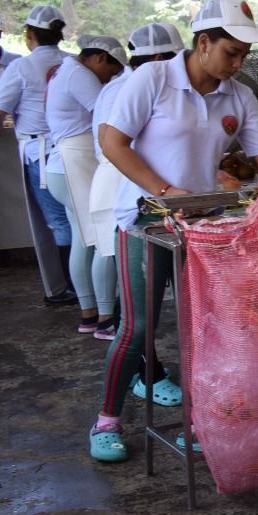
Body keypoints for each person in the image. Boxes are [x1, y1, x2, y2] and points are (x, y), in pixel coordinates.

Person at [88, 0, 258, 463]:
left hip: (203, 225)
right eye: (231, 52)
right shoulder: (153, 80)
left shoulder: (238, 95)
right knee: (140, 326)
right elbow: (113, 142)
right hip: (146, 219)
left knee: (204, 329)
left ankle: (200, 422)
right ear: (203, 42)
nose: (238, 63)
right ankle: (107, 420)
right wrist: (165, 191)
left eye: (245, 55)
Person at [85, 23, 183, 341]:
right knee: (114, 262)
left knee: (134, 284)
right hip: (124, 180)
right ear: (158, 58)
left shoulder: (142, 82)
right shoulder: (127, 86)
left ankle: (122, 332)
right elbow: (108, 140)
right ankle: (132, 355)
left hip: (138, 181)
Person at [0, 5, 77, 305]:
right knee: (79, 218)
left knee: (59, 222)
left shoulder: (22, 67)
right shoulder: (74, 63)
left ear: (30, 35)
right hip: (76, 149)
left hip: (42, 154)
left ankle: (73, 289)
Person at [44, 34, 127, 334]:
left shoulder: (67, 71)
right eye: (112, 70)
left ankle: (90, 312)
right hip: (74, 163)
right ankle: (105, 318)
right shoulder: (80, 75)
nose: (111, 77)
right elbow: (110, 114)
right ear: (100, 59)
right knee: (103, 238)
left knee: (84, 238)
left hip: (63, 165)